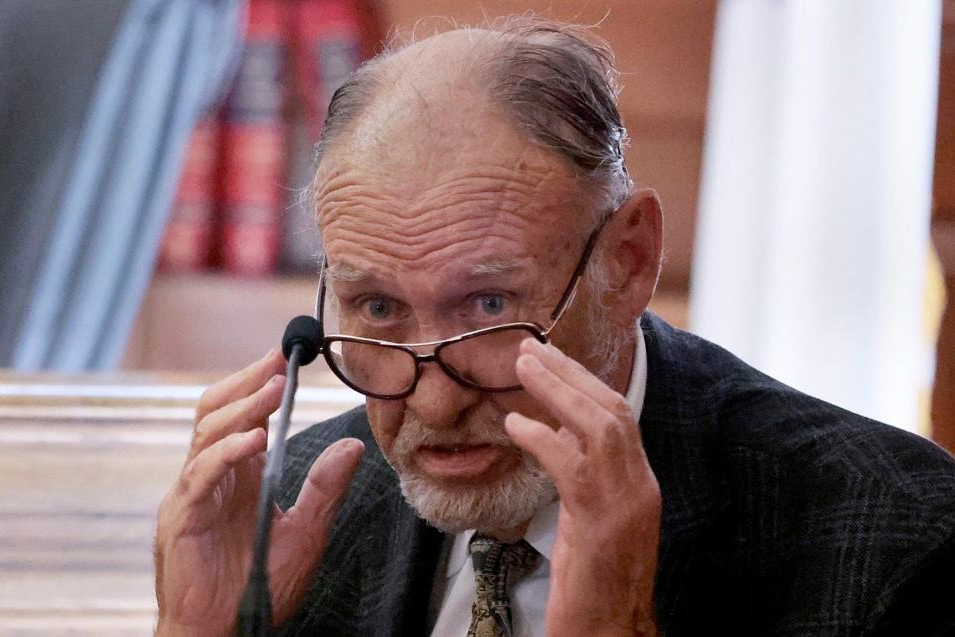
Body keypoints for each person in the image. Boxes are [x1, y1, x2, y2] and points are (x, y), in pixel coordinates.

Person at [153, 18, 955, 637]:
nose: (431, 405)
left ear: (629, 260)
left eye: (491, 307)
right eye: (378, 309)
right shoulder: (288, 510)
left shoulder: (896, 539)